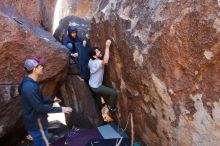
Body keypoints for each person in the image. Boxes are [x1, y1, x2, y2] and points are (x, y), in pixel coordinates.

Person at [18, 58, 72, 146]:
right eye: (40, 66)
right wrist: (62, 109)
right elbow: (39, 107)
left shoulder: (31, 83)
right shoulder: (29, 87)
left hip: (38, 122)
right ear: (34, 69)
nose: (42, 67)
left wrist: (52, 100)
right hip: (36, 125)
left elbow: (39, 99)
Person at [88, 40, 117, 113]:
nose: (100, 52)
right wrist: (107, 47)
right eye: (97, 52)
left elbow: (88, 67)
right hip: (96, 86)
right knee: (113, 93)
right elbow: (105, 61)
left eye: (98, 51)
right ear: (94, 56)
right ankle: (111, 108)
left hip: (91, 84)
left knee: (98, 97)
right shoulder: (97, 63)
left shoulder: (90, 61)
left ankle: (100, 107)